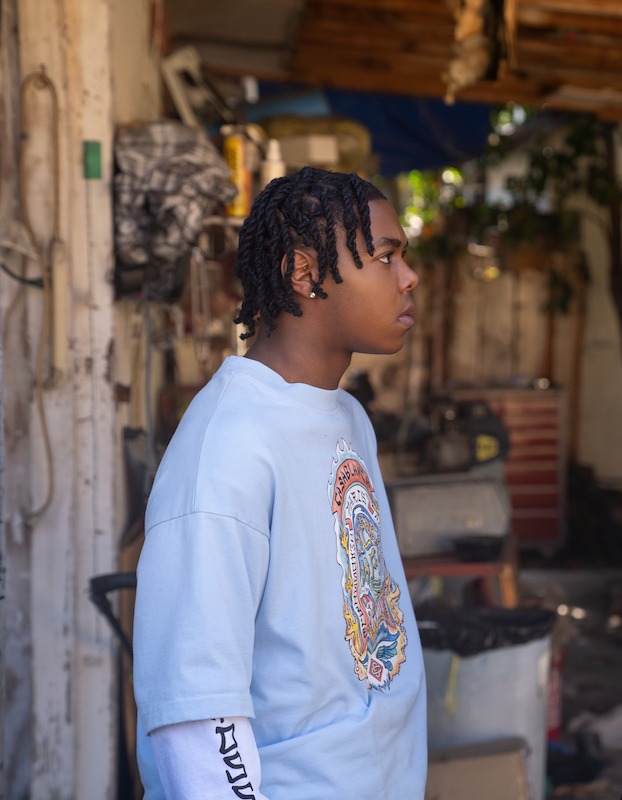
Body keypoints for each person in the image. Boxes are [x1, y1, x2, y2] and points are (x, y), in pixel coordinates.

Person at [133, 166, 426, 799]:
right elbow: (195, 710)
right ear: (304, 272)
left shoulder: (344, 415)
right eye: (384, 256)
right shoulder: (227, 447)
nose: (409, 277)